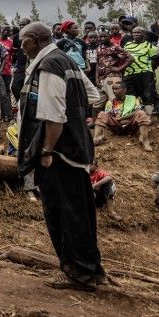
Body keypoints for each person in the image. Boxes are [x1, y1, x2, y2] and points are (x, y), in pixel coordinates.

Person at [16, 22, 104, 291]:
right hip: (76, 149)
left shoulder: (50, 65)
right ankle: (89, 269)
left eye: (23, 41)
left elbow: (53, 116)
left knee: (64, 213)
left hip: (58, 154)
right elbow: (94, 95)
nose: (21, 47)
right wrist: (77, 119)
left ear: (34, 39)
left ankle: (81, 273)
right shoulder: (65, 60)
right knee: (79, 211)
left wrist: (46, 151)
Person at [93, 77, 152, 150]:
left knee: (141, 113)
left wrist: (122, 118)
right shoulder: (110, 102)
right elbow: (108, 117)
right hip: (117, 127)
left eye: (116, 89)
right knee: (102, 114)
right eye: (113, 89)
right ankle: (98, 137)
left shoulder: (133, 98)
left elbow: (137, 111)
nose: (114, 91)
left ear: (125, 90)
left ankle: (144, 140)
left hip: (131, 126)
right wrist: (118, 120)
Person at [123, 27, 158, 115]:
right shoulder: (127, 45)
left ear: (144, 34)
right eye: (134, 33)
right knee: (130, 95)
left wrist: (149, 70)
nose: (136, 34)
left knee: (147, 95)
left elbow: (155, 60)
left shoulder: (149, 46)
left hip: (145, 74)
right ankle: (130, 117)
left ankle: (148, 117)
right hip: (129, 74)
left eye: (138, 33)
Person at [95, 31, 133, 101]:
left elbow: (131, 58)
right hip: (101, 79)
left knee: (114, 99)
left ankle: (117, 112)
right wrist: (97, 78)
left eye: (105, 36)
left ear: (110, 37)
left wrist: (119, 69)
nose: (102, 38)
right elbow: (98, 63)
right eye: (100, 37)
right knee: (97, 103)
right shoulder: (98, 48)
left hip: (112, 76)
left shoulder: (115, 47)